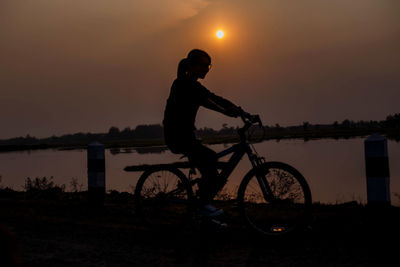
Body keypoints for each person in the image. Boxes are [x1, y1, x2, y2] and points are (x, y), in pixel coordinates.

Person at [163, 49, 245, 217]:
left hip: (187, 136)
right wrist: (226, 111)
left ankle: (203, 200)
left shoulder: (194, 85)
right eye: (204, 65)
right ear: (193, 66)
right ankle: (203, 205)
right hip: (177, 137)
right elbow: (207, 101)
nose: (207, 68)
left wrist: (240, 110)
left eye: (209, 66)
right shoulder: (182, 84)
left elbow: (214, 97)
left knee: (209, 163)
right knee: (210, 158)